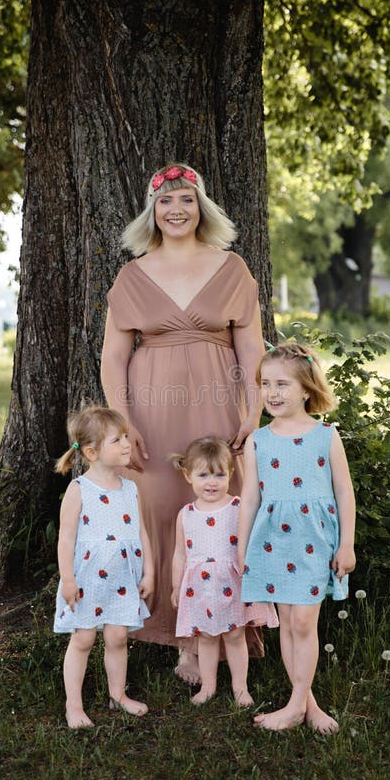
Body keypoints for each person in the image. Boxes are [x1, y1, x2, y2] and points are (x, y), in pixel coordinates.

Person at [101, 163, 264, 684]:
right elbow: (112, 357)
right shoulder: (132, 274)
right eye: (166, 200)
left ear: (201, 208)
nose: (176, 209)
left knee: (215, 510)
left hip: (217, 405)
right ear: (153, 211)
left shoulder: (232, 268)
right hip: (151, 409)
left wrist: (252, 411)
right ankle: (171, 633)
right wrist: (124, 424)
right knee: (159, 505)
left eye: (186, 200)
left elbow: (252, 348)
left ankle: (211, 638)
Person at [237, 341, 356, 733]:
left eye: (283, 384)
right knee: (288, 622)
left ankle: (293, 706)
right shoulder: (259, 440)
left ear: (306, 388)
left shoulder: (326, 435)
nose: (272, 392)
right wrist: (242, 547)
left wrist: (347, 544)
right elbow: (251, 496)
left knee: (304, 621)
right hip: (274, 540)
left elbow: (344, 492)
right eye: (266, 383)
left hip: (314, 540)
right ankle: (306, 704)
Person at [53, 405, 154, 729]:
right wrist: (67, 580)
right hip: (86, 580)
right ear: (92, 452)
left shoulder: (130, 488)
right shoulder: (79, 489)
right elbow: (66, 539)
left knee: (118, 637)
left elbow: (141, 533)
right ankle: (74, 706)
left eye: (126, 437)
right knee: (83, 639)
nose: (127, 444)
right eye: (117, 440)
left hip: (122, 579)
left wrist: (149, 572)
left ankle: (117, 695)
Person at [170, 436, 279, 706]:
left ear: (231, 474)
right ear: (188, 476)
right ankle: (208, 686)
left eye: (219, 474)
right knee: (206, 638)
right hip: (200, 587)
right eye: (204, 475)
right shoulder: (186, 514)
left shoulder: (238, 507)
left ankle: (240, 688)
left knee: (234, 635)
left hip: (232, 583)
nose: (212, 482)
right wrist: (176, 587)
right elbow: (180, 553)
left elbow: (253, 545)